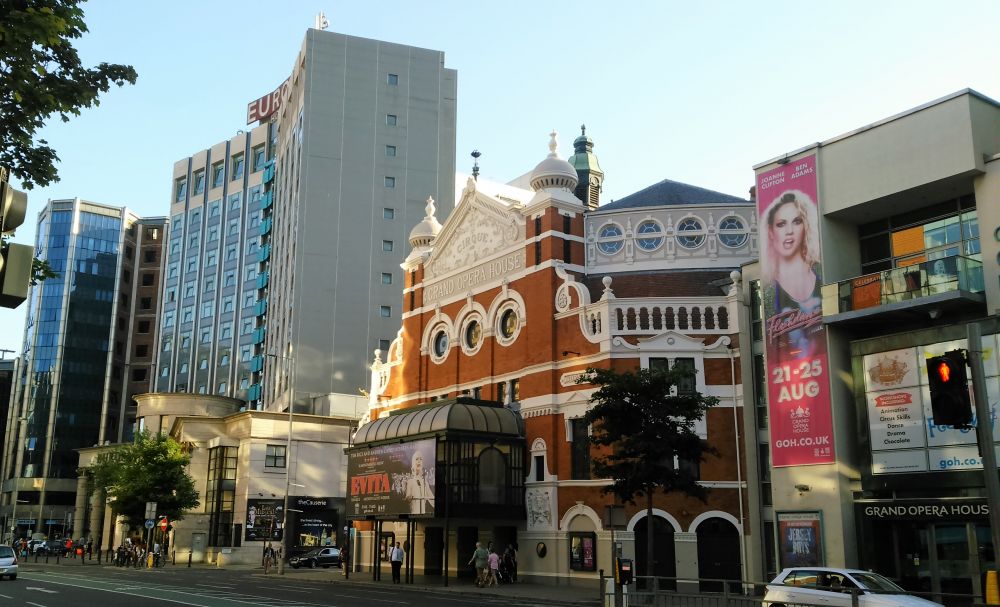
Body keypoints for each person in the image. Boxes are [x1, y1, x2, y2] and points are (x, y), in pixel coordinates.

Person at [762, 190, 823, 359]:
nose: (789, 231)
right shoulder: (768, 292)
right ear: (771, 232)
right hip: (789, 371)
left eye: (796, 221)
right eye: (781, 224)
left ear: (806, 226)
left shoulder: (823, 274)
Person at [404, 450, 434, 514]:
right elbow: (407, 497)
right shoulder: (410, 481)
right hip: (414, 515)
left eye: (421, 459)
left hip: (423, 515)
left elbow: (431, 499)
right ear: (413, 463)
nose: (419, 461)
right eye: (416, 459)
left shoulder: (425, 482)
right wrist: (409, 498)